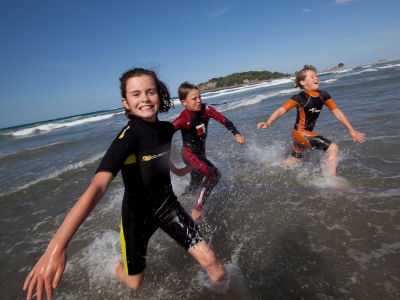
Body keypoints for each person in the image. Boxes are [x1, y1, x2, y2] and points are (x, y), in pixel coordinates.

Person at [23, 68, 227, 300]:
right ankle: (114, 266)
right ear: (126, 102)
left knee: (211, 260)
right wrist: (56, 247)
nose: (144, 98)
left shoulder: (165, 129)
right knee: (134, 282)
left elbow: (159, 152)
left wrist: (178, 170)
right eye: (136, 94)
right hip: (136, 217)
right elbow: (98, 186)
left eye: (150, 92)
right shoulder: (127, 139)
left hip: (168, 207)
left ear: (159, 95)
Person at [257, 65, 365, 176]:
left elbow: (337, 111)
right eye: (312, 77)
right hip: (300, 132)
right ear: (303, 82)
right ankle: (331, 182)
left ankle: (271, 169)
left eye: (316, 76)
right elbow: (281, 110)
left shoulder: (324, 95)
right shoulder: (300, 98)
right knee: (333, 149)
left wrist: (351, 129)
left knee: (295, 160)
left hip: (299, 133)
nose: (316, 78)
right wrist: (268, 122)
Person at [172, 82, 246, 221]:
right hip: (189, 154)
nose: (199, 100)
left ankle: (178, 203)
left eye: (199, 96)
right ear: (183, 102)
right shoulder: (183, 119)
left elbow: (224, 121)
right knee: (214, 174)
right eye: (194, 99)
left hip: (200, 153)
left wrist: (236, 134)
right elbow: (164, 134)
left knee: (196, 182)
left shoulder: (206, 110)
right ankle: (197, 210)